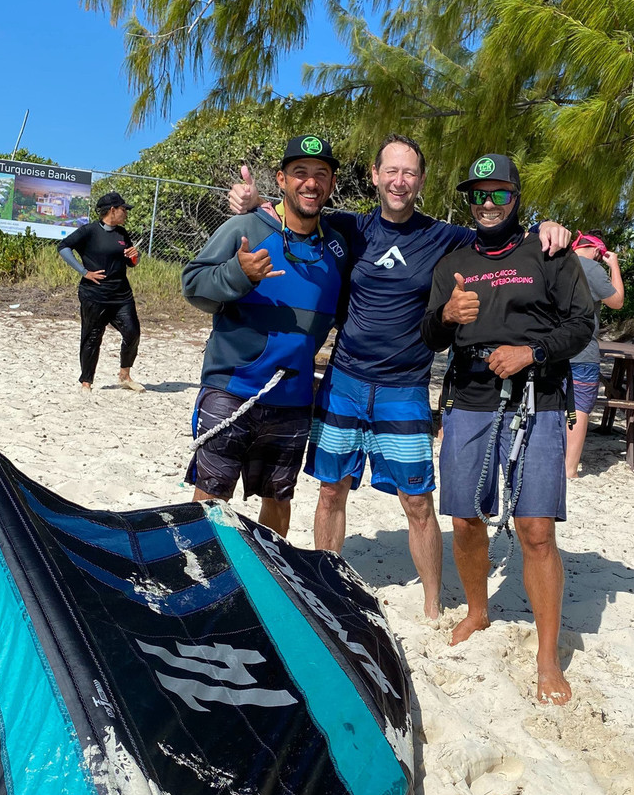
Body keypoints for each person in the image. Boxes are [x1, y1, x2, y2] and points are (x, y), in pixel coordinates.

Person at [228, 135, 571, 619]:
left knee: (417, 501)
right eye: (391, 170)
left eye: (409, 172)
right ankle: (327, 580)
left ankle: (432, 603)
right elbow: (296, 215)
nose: (399, 180)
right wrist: (252, 205)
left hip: (405, 387)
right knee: (330, 491)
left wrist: (547, 227)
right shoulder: (348, 227)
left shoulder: (444, 236)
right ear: (374, 175)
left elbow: (500, 233)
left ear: (421, 181)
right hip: (344, 379)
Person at [420, 154, 594, 705]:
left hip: (538, 400)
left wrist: (531, 352)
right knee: (466, 519)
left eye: (499, 193)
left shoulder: (549, 252)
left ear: (517, 196)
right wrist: (447, 317)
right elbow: (429, 337)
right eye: (479, 194)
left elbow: (582, 325)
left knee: (536, 529)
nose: (488, 203)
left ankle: (547, 654)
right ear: (467, 201)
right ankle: (478, 610)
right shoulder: (452, 263)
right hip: (468, 400)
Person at [181, 135, 348, 537]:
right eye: (300, 173)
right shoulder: (245, 228)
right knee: (211, 495)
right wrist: (238, 274)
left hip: (293, 399)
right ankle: (201, 572)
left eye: (321, 175)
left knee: (278, 498)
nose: (311, 183)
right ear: (282, 179)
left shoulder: (340, 246)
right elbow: (193, 284)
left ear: (332, 184)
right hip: (232, 387)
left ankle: (269, 574)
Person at [57, 191, 144, 393]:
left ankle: (125, 376)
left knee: (132, 332)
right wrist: (84, 271)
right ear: (112, 210)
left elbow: (131, 264)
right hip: (94, 294)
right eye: (123, 209)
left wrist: (134, 257)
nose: (126, 213)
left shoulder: (123, 234)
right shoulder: (89, 231)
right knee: (92, 336)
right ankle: (86, 382)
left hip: (121, 295)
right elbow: (63, 247)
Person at [565, 231, 625, 478]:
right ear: (596, 250)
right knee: (579, 407)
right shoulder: (591, 268)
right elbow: (617, 301)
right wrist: (614, 266)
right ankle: (569, 469)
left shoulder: (554, 263)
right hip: (581, 350)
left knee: (551, 405)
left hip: (550, 348)